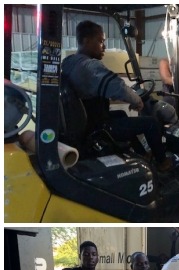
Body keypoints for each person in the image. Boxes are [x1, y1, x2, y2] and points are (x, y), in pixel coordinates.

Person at [61, 20, 172, 171]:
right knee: (151, 122)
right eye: (100, 41)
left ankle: (141, 154)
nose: (104, 46)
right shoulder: (90, 66)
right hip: (99, 127)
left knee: (121, 114)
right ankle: (163, 162)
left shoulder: (70, 62)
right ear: (86, 41)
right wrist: (137, 100)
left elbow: (99, 89)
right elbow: (117, 86)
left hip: (87, 121)